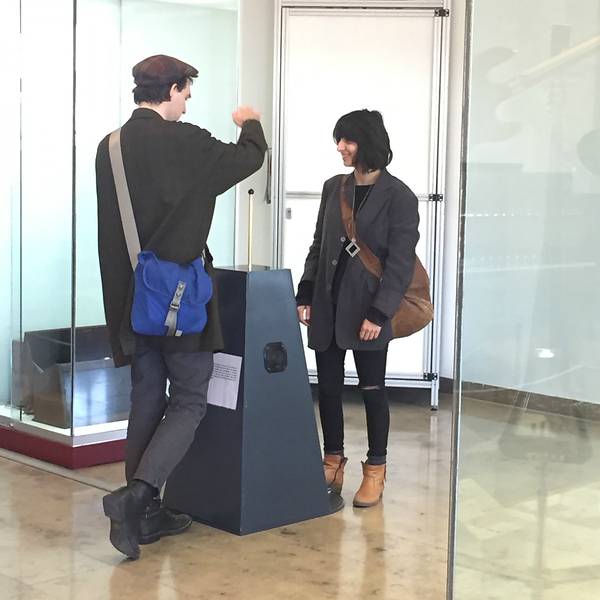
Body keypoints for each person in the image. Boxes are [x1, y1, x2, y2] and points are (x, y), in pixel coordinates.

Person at [95, 54, 266, 559]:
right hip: (180, 299)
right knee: (190, 398)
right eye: (186, 94)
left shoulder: (110, 147)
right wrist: (249, 122)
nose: (187, 104)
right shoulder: (187, 142)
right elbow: (248, 158)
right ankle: (137, 496)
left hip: (132, 301)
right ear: (171, 90)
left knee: (147, 397)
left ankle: (145, 517)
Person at [296, 109, 419, 508]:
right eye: (339, 139)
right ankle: (332, 462)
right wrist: (305, 293)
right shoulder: (334, 187)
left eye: (348, 140)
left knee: (372, 389)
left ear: (368, 143)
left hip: (369, 310)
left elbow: (400, 263)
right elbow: (319, 244)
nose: (340, 147)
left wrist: (380, 314)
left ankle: (375, 469)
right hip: (328, 304)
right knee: (328, 388)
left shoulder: (399, 196)